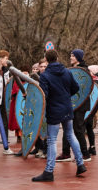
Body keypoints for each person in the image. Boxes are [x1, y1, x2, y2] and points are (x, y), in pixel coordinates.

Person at [31, 49, 87, 181]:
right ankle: (80, 164)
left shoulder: (45, 75)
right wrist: (65, 97)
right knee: (70, 135)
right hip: (67, 108)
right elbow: (76, 88)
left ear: (47, 59)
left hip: (54, 110)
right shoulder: (67, 71)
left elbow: (44, 95)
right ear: (57, 57)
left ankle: (49, 171)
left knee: (51, 140)